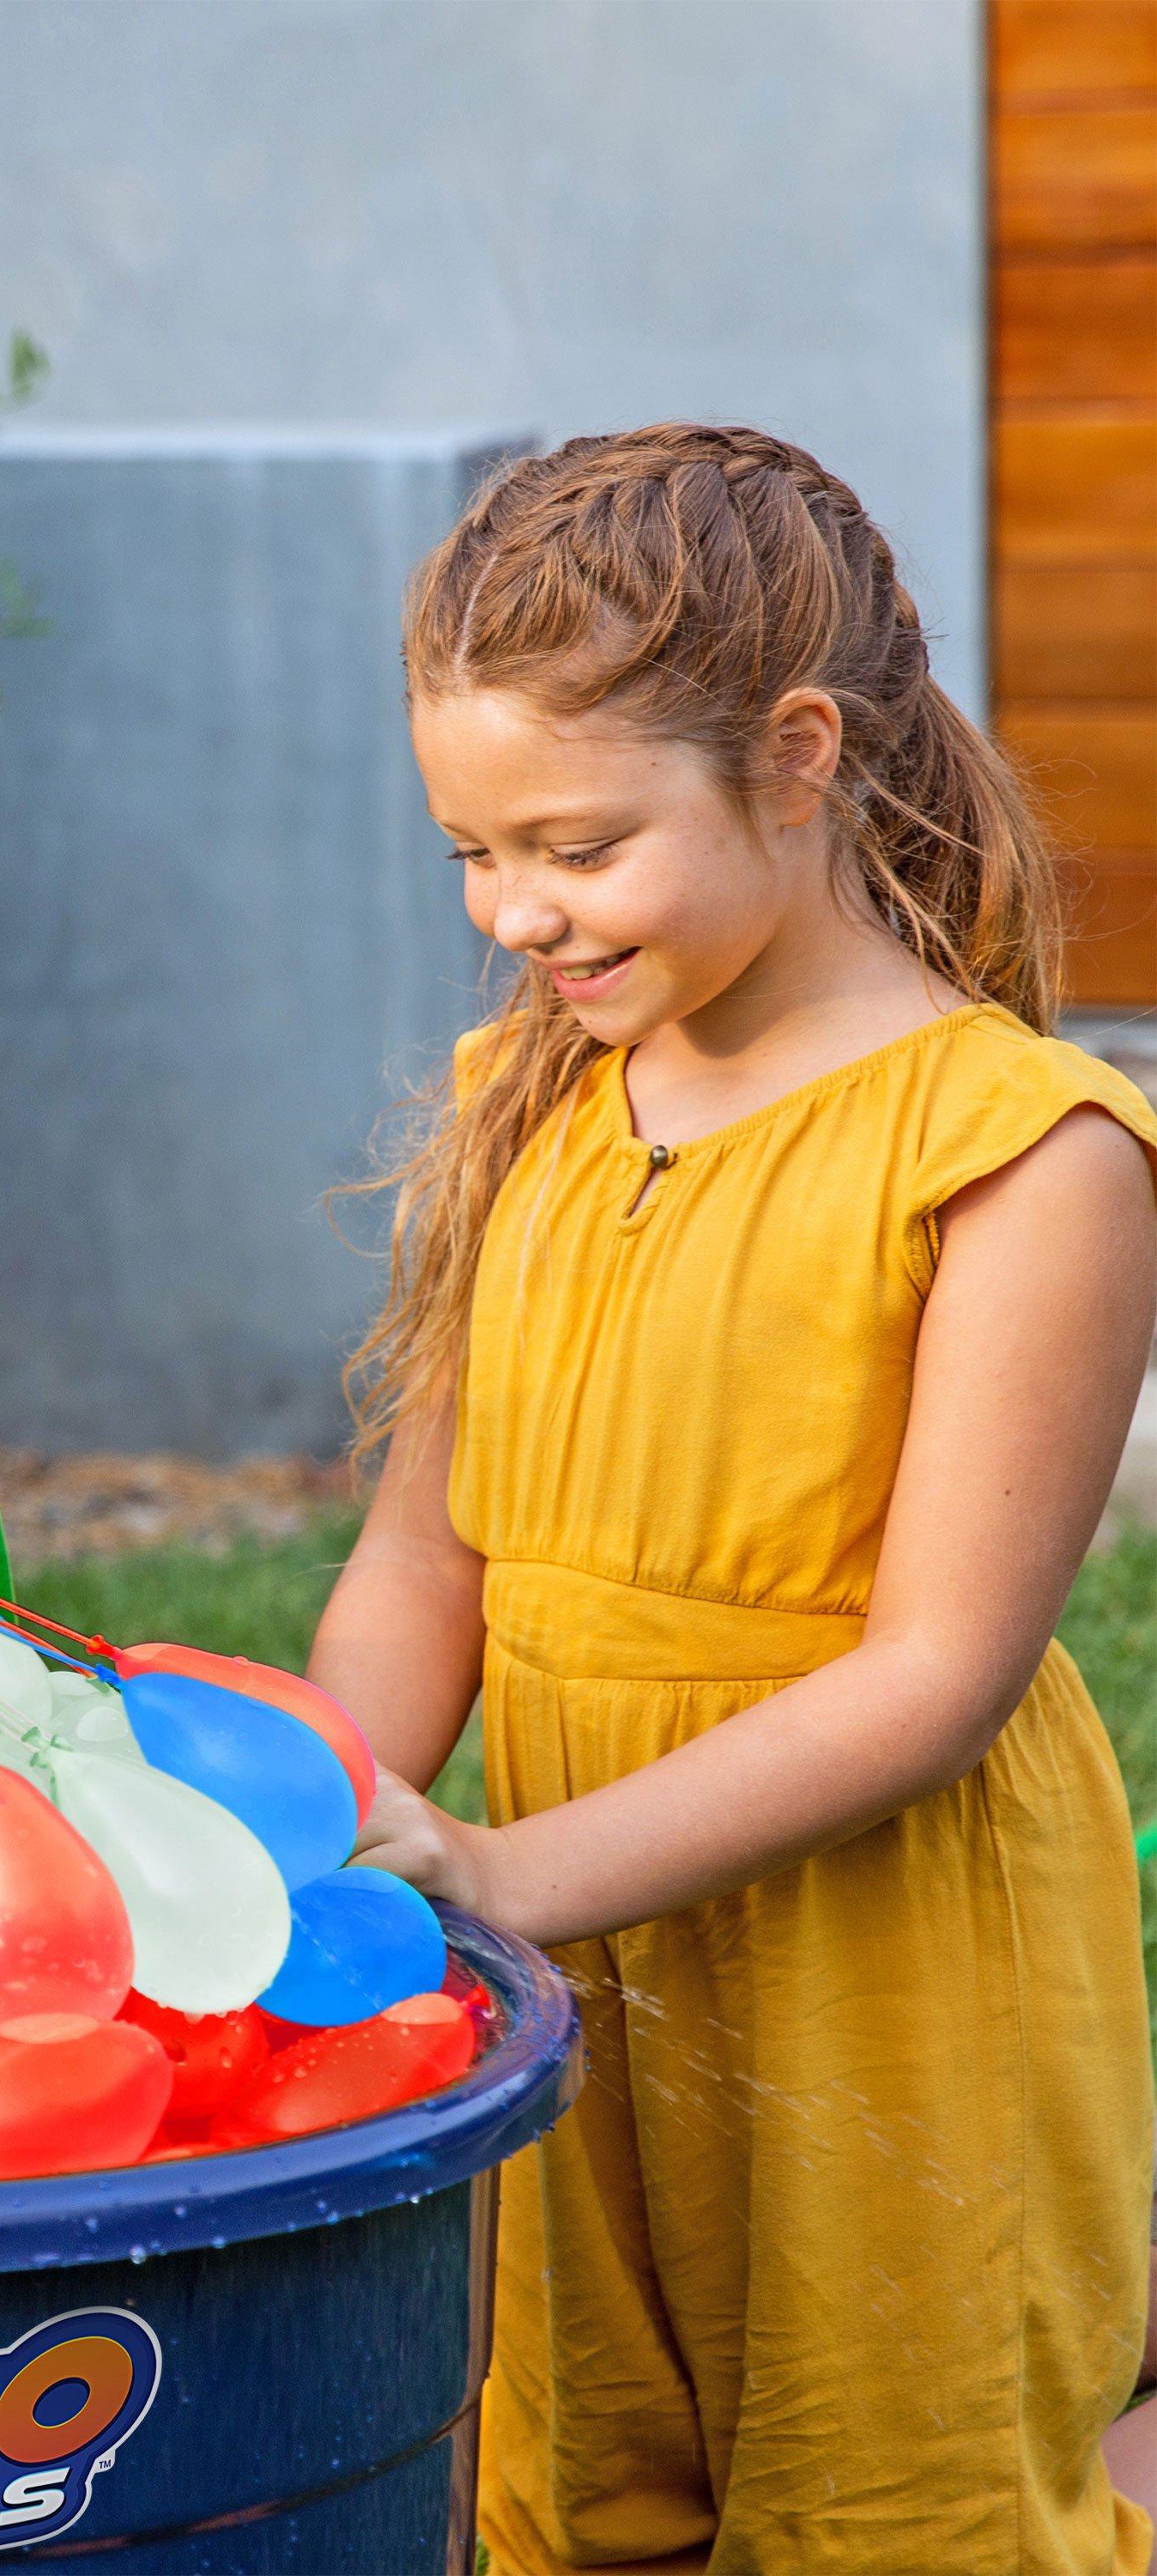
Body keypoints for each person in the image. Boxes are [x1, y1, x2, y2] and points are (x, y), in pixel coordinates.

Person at [312, 423, 1157, 2574]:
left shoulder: (1023, 1152)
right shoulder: (539, 1103)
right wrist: (306, 1814)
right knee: (575, 2469)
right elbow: (430, 1556)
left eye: (577, 846)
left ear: (795, 756)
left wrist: (504, 1866)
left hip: (880, 1966)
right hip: (574, 1955)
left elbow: (937, 1679)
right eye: (466, 858)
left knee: (905, 2495)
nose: (515, 914)